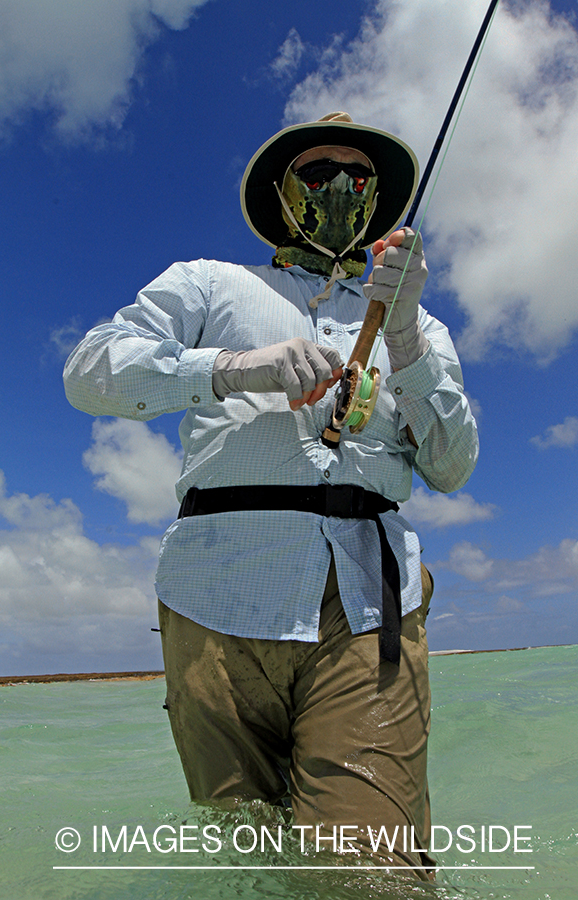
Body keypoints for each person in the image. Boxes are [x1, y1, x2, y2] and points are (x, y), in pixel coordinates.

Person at [64, 112, 478, 877]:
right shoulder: (209, 282)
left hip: (367, 606)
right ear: (283, 193)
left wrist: (410, 332)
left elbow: (452, 466)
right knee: (246, 858)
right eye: (319, 173)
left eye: (360, 177)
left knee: (372, 873)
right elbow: (91, 371)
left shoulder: (418, 324)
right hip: (210, 600)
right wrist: (229, 367)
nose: (342, 189)